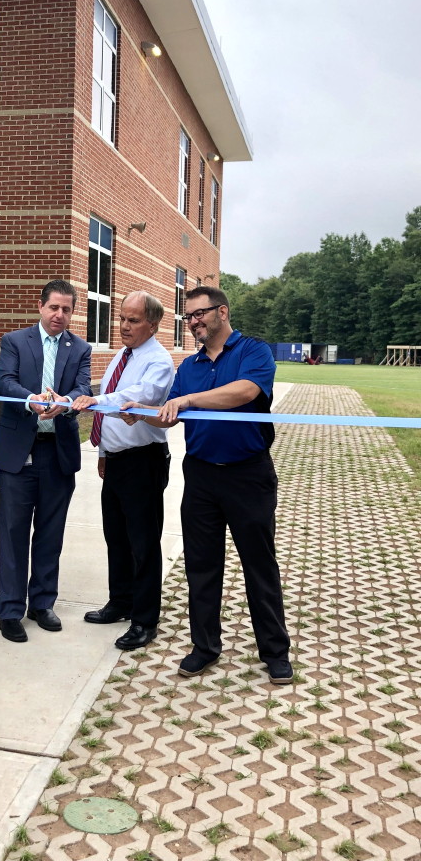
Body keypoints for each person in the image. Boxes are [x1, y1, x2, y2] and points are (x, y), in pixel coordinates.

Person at [129, 285, 292, 684]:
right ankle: (204, 647)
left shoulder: (254, 352)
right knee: (201, 567)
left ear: (222, 312)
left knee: (259, 566)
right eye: (188, 317)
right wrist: (137, 414)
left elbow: (245, 392)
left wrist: (187, 401)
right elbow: (169, 416)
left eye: (199, 314)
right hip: (201, 476)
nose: (194, 322)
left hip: (247, 475)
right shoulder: (190, 367)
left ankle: (274, 651)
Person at [73, 291, 174, 650]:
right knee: (116, 536)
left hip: (143, 461)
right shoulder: (124, 353)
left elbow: (133, 396)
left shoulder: (158, 362)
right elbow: (113, 406)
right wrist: (103, 451)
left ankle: (145, 620)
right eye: (122, 318)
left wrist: (94, 400)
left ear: (153, 324)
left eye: (133, 320)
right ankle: (121, 602)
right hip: (116, 460)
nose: (124, 326)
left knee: (143, 543)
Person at [0, 279, 92, 642]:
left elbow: (84, 389)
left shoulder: (80, 348)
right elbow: (5, 382)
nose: (59, 315)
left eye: (66, 309)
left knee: (51, 533)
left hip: (57, 454)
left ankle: (42, 603)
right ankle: (10, 609)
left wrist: (65, 401)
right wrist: (32, 399)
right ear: (41, 306)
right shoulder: (15, 341)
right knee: (14, 533)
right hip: (20, 453)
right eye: (54, 307)